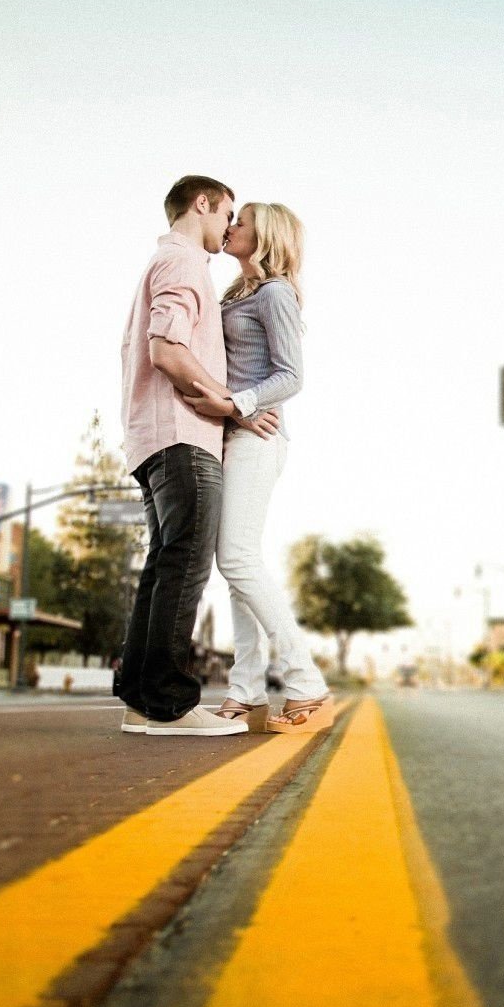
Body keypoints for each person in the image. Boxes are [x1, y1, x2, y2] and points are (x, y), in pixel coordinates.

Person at [115, 175, 279, 737]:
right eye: (226, 212)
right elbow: (167, 349)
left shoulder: (165, 263)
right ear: (202, 204)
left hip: (152, 435)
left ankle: (142, 699)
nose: (229, 226)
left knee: (165, 564)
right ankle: (168, 704)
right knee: (184, 565)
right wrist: (236, 406)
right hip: (183, 435)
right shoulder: (185, 264)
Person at [190, 202, 332, 733]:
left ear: (265, 234)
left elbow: (291, 375)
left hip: (257, 438)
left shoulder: (276, 293)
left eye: (241, 222)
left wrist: (238, 406)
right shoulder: (237, 293)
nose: (230, 228)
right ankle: (246, 691)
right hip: (231, 436)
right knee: (237, 570)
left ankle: (305, 682)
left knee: (238, 558)